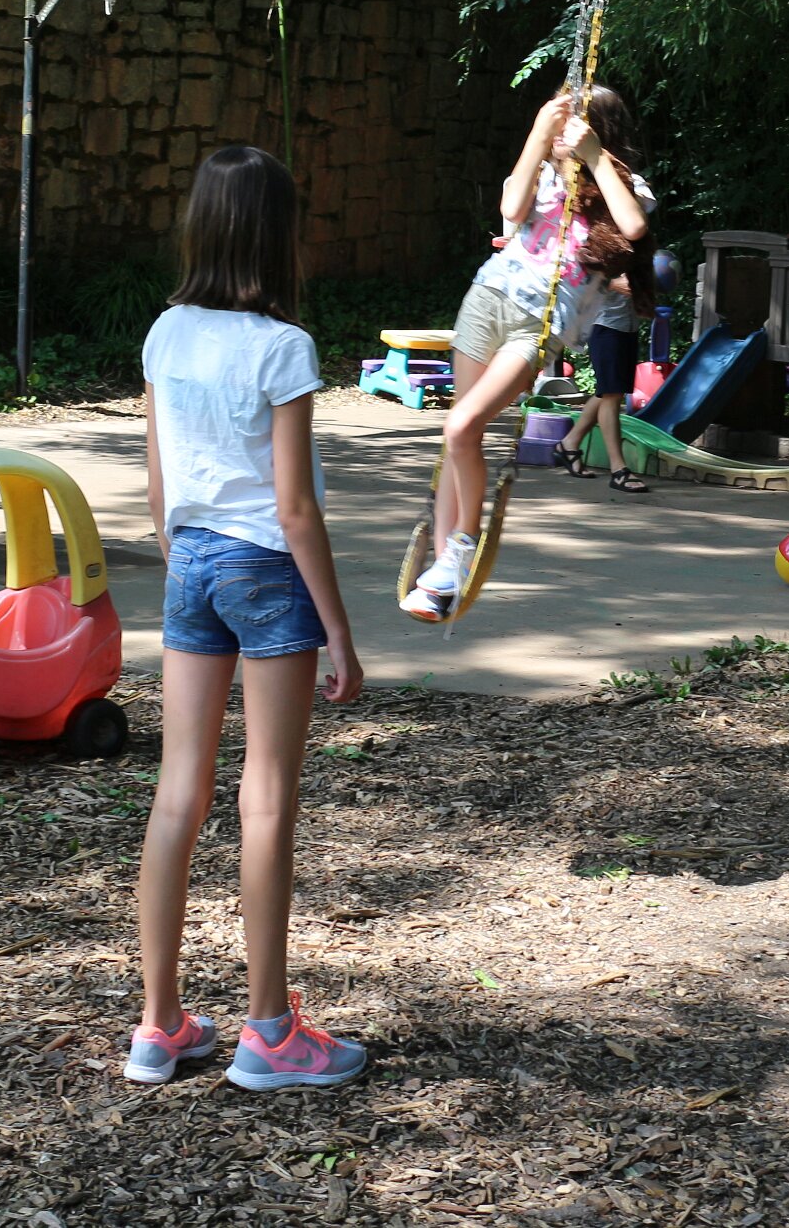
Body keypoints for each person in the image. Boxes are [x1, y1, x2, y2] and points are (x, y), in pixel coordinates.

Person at [129, 145, 368, 1091]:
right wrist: (338, 628)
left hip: (189, 559)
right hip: (267, 569)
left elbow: (158, 483)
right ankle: (268, 1033)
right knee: (264, 796)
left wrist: (182, 557)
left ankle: (159, 1027)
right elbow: (295, 508)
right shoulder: (282, 347)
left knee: (177, 792)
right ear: (278, 233)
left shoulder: (165, 333)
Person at [404, 84, 651, 620]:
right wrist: (538, 136)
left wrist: (594, 158)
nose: (562, 133)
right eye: (559, 122)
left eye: (572, 123)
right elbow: (511, 208)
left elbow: (633, 227)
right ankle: (443, 571)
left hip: (538, 326)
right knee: (457, 436)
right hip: (488, 299)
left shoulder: (622, 184)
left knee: (461, 428)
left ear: (599, 130)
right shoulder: (542, 170)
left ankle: (462, 544)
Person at [554, 111, 658, 495]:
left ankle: (568, 445)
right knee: (612, 393)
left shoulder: (621, 187)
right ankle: (619, 469)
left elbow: (638, 221)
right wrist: (613, 280)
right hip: (601, 317)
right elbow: (574, 257)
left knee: (609, 388)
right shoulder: (577, 197)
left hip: (623, 316)